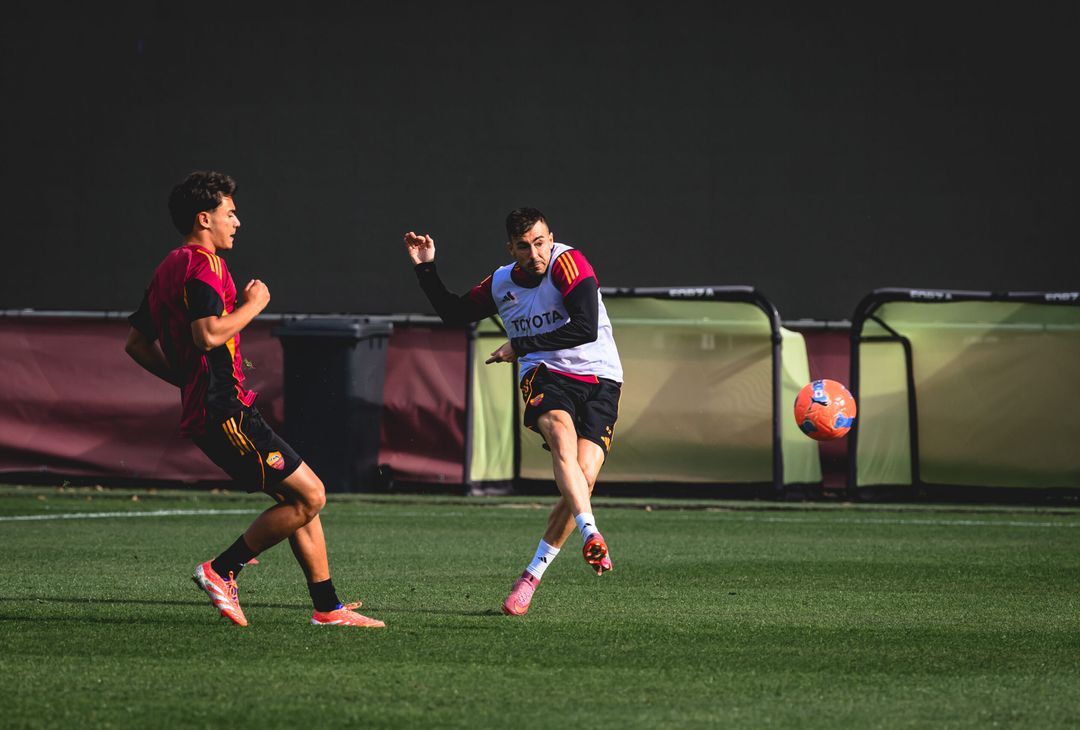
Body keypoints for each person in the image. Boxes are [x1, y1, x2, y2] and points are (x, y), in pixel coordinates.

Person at [125, 170, 384, 628]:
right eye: (230, 212)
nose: (237, 221)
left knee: (302, 497)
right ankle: (222, 570)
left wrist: (188, 383)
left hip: (217, 406)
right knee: (312, 496)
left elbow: (137, 345)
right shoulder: (204, 264)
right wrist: (253, 307)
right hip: (226, 410)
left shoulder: (170, 264)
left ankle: (328, 607)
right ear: (204, 219)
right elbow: (206, 336)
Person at [404, 207, 623, 616]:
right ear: (512, 249)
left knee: (584, 476)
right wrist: (426, 268)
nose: (535, 252)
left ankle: (532, 575)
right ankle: (591, 532)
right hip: (546, 373)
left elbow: (585, 327)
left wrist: (519, 344)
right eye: (524, 246)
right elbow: (452, 313)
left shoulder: (568, 261)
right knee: (560, 434)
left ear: (550, 238)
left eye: (540, 242)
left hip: (600, 375)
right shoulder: (502, 282)